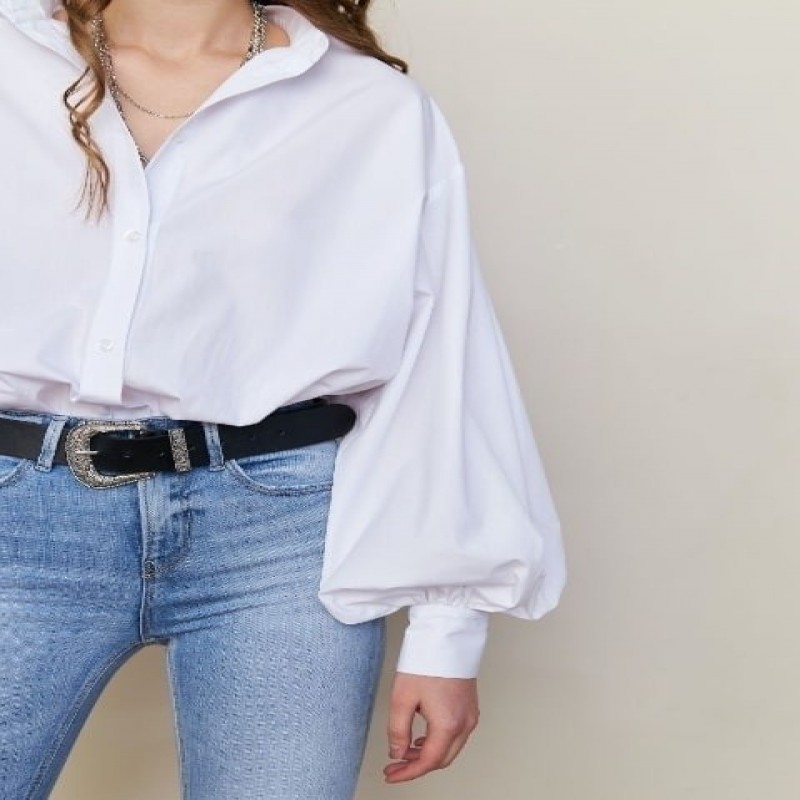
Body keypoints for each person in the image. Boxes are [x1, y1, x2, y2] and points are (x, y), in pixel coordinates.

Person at [0, 0, 567, 797]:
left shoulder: (368, 107)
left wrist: (447, 627)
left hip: (277, 538)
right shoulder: (11, 62)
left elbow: (437, 361)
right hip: (17, 513)